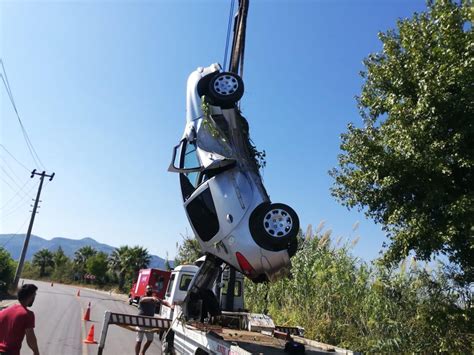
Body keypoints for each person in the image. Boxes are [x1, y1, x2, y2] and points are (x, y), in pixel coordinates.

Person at [0, 284, 40, 355]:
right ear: (31, 296)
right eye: (34, 295)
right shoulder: (27, 314)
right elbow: (30, 338)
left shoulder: (3, 311)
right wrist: (36, 352)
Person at [135, 285, 158, 355]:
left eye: (151, 289)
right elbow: (143, 300)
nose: (150, 290)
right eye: (148, 289)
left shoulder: (154, 299)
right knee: (139, 341)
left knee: (150, 340)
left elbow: (163, 302)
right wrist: (152, 298)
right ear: (146, 290)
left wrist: (170, 305)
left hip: (149, 323)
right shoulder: (143, 297)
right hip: (141, 322)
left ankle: (142, 352)